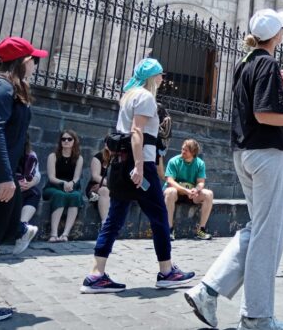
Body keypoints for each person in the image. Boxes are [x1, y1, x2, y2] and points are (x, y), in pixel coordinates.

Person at [184, 9, 283, 330]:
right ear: (277, 35)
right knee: (268, 234)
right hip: (265, 153)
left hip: (245, 153)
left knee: (263, 227)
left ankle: (208, 291)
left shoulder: (246, 63)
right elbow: (265, 114)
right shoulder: (266, 63)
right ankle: (256, 317)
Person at [81, 58, 195, 294]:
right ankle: (166, 271)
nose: (163, 79)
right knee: (160, 216)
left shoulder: (129, 96)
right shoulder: (144, 97)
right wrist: (141, 166)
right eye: (161, 74)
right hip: (139, 164)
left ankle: (96, 274)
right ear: (153, 77)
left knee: (114, 219)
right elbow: (136, 132)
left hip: (121, 164)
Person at [0, 36, 47, 321]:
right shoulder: (3, 89)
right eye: (33, 60)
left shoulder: (13, 90)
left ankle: (18, 229)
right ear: (23, 61)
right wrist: (5, 177)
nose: (35, 66)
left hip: (7, 176)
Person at [163, 139, 214, 241]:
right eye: (182, 149)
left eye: (186, 150)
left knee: (209, 194)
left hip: (191, 194)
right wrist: (185, 190)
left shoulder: (200, 163)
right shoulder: (174, 161)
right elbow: (170, 181)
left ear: (193, 153)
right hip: (176, 193)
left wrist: (196, 189)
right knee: (170, 191)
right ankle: (169, 229)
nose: (183, 151)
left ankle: (201, 230)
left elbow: (201, 182)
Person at [42, 130, 84, 242]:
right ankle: (54, 234)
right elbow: (51, 177)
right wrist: (63, 183)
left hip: (71, 187)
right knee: (59, 195)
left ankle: (65, 234)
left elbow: (76, 177)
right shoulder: (53, 156)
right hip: (54, 186)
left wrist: (71, 183)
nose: (66, 141)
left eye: (69, 139)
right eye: (63, 139)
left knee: (75, 196)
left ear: (74, 142)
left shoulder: (79, 158)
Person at [14, 138, 41, 255]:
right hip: (7, 185)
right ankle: (22, 231)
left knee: (34, 192)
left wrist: (30, 183)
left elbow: (37, 174)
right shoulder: (8, 151)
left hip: (21, 186)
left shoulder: (31, 155)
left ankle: (22, 227)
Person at [86, 142, 111, 221]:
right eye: (107, 143)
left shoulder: (120, 158)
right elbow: (95, 176)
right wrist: (110, 185)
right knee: (105, 190)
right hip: (94, 191)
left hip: (113, 190)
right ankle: (105, 224)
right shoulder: (98, 157)